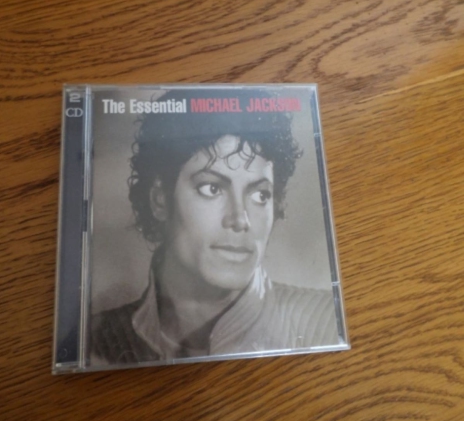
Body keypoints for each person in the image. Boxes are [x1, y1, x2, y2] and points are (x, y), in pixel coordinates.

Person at [91, 89, 340, 365]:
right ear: (159, 199)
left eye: (260, 195)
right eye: (211, 188)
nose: (240, 219)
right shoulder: (93, 340)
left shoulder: (329, 323)